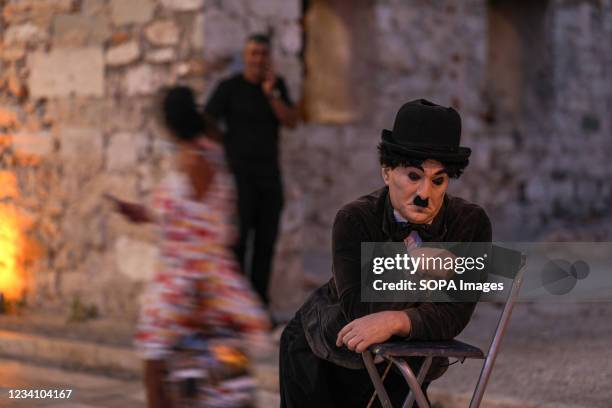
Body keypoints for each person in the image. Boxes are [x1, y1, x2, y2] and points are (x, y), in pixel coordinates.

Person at [279, 99, 492, 407]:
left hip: (403, 358)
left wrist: (395, 320)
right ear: (386, 172)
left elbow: (454, 314)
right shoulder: (354, 219)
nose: (424, 194)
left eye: (438, 180)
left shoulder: (469, 224)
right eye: (413, 176)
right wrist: (408, 265)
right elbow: (358, 309)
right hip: (322, 351)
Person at [112, 86, 270, 408]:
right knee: (224, 379)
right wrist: (141, 213)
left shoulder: (197, 162)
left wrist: (197, 294)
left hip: (190, 281)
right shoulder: (202, 155)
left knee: (156, 360)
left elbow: (201, 229)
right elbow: (189, 215)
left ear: (168, 124)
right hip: (207, 278)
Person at [205, 33, 298, 307]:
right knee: (238, 243)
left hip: (269, 178)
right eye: (253, 53)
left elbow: (291, 121)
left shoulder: (276, 86)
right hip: (238, 178)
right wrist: (225, 143)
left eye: (263, 53)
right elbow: (207, 120)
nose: (258, 58)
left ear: (269, 57)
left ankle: (258, 306)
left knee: (265, 244)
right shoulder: (229, 88)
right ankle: (234, 306)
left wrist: (271, 94)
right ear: (245, 56)